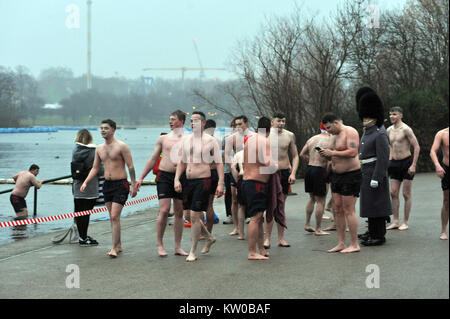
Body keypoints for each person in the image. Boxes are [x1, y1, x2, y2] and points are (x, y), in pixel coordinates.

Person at [81, 119, 137, 258]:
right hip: (107, 185)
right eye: (101, 128)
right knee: (112, 218)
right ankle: (118, 244)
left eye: (106, 128)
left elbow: (130, 166)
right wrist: (86, 182)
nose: (103, 130)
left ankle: (113, 248)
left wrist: (134, 184)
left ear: (113, 130)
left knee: (114, 216)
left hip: (121, 184)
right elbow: (95, 168)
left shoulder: (122, 146)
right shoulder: (99, 148)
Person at [136, 110, 188, 257]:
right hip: (164, 176)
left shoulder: (188, 139)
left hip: (182, 176)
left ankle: (177, 246)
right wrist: (141, 177)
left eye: (174, 119)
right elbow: (153, 159)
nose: (170, 122)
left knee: (179, 212)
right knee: (164, 210)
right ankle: (160, 244)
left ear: (182, 121)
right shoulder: (163, 139)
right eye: (170, 119)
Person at [174, 111, 224, 262]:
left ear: (203, 123)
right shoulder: (186, 140)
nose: (192, 123)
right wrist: (177, 179)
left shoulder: (210, 140)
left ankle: (193, 251)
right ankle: (209, 237)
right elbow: (181, 162)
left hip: (203, 180)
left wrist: (221, 183)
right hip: (188, 180)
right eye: (191, 121)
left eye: (196, 120)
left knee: (195, 216)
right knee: (187, 215)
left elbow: (220, 163)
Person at [319, 113, 362, 253]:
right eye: (326, 129)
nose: (328, 131)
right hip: (336, 175)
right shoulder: (333, 136)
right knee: (337, 209)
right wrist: (325, 154)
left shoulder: (350, 131)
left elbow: (353, 152)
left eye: (330, 127)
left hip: (350, 175)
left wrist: (332, 154)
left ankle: (354, 244)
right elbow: (332, 152)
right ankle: (341, 242)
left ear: (336, 122)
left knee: (349, 210)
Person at [356, 88, 392, 246]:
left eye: (368, 117)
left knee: (377, 205)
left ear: (374, 118)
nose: (365, 120)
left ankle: (379, 235)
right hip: (366, 172)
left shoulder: (379, 133)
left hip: (375, 173)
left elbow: (383, 158)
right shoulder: (368, 131)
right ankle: (372, 230)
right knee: (369, 204)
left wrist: (377, 177)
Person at [242, 117, 277, 260]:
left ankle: (261, 249)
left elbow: (245, 163)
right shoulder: (264, 141)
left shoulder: (250, 140)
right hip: (256, 183)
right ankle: (252, 252)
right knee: (255, 218)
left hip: (247, 181)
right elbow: (269, 164)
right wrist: (277, 165)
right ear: (270, 128)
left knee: (258, 218)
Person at [264, 113, 299, 248]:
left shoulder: (289, 135)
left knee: (280, 205)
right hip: (269, 172)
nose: (281, 124)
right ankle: (267, 239)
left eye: (283, 121)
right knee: (269, 206)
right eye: (279, 121)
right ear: (272, 122)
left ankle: (281, 238)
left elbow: (295, 156)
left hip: (284, 172)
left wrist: (293, 173)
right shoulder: (265, 134)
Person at [386, 106, 420, 231]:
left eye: (394, 114)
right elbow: (390, 145)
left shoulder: (406, 129)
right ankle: (395, 221)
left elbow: (416, 147)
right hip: (394, 163)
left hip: (406, 162)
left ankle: (405, 221)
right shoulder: (389, 130)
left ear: (401, 116)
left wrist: (414, 165)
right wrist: (390, 158)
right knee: (393, 192)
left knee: (406, 194)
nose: (391, 116)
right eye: (390, 114)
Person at [299, 123, 332, 236]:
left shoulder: (312, 138)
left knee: (312, 198)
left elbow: (302, 154)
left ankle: (307, 224)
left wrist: (310, 161)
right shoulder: (330, 140)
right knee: (321, 201)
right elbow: (330, 159)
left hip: (310, 169)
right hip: (319, 170)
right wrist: (327, 171)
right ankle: (318, 229)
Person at [224, 115, 254, 235]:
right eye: (236, 124)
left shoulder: (254, 136)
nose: (238, 127)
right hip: (236, 167)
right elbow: (226, 155)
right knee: (234, 198)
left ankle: (254, 221)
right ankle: (236, 227)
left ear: (246, 124)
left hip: (251, 167)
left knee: (252, 196)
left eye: (240, 124)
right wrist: (232, 166)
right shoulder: (232, 138)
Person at [72, 129, 101, 246]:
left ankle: (81, 236)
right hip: (90, 186)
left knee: (79, 213)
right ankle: (83, 238)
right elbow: (100, 169)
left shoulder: (75, 151)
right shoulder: (94, 152)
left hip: (77, 186)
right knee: (86, 213)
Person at [430, 127, 449, 240]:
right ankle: (443, 231)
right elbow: (433, 151)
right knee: (446, 200)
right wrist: (437, 165)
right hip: (447, 169)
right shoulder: (442, 134)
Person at [204, 119, 222, 234]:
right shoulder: (218, 141)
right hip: (214, 172)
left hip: (204, 174)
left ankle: (202, 233)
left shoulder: (202, 140)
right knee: (209, 205)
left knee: (198, 207)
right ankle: (208, 232)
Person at [222, 119, 237, 225]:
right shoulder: (226, 138)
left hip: (241, 169)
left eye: (237, 126)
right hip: (228, 169)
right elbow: (223, 154)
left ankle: (246, 214)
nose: (235, 128)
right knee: (228, 193)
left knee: (241, 192)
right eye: (233, 126)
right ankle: (229, 215)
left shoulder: (245, 138)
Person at [231, 149, 246, 240]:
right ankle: (257, 229)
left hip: (242, 177)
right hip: (255, 178)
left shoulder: (239, 153)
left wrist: (237, 182)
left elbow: (233, 167)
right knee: (256, 208)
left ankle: (241, 234)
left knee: (241, 206)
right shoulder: (259, 151)